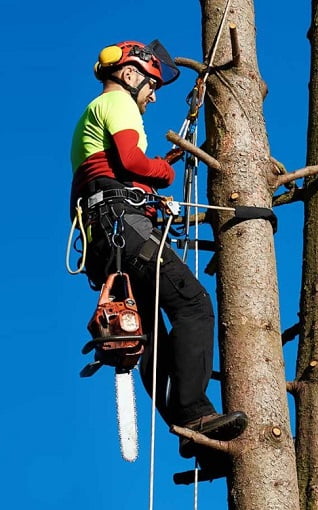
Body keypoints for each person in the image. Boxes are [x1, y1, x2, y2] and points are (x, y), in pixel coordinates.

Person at [70, 39, 247, 465]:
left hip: (103, 239)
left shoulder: (90, 119)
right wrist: (163, 170)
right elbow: (132, 161)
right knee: (192, 303)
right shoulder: (118, 103)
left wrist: (150, 182)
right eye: (151, 85)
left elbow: (113, 171)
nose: (152, 95)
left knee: (152, 341)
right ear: (130, 75)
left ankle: (191, 433)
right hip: (123, 230)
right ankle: (195, 415)